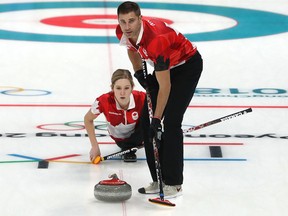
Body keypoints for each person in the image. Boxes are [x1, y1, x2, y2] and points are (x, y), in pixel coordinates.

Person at [116, 1, 203, 198]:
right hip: (164, 67)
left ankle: (174, 183)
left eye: (131, 21)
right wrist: (139, 74)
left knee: (171, 122)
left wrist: (158, 119)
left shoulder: (156, 41)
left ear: (140, 19)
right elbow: (131, 49)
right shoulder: (123, 31)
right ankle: (158, 179)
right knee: (147, 124)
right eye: (123, 22)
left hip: (186, 66)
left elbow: (166, 87)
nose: (127, 27)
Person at [84, 69, 146, 162]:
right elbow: (87, 119)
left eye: (126, 88)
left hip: (140, 134)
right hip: (120, 140)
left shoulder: (142, 98)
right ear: (112, 88)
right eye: (118, 88)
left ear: (132, 87)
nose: (122, 93)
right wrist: (95, 146)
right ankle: (128, 148)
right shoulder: (104, 101)